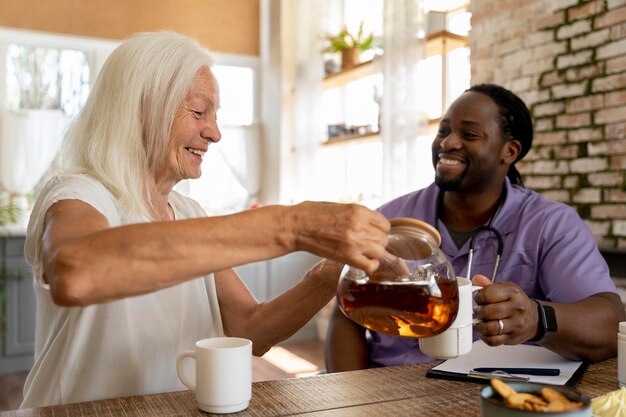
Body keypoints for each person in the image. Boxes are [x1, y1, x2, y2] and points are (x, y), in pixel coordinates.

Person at [20, 31, 391, 408]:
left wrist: (325, 278)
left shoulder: (188, 212)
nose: (213, 133)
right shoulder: (78, 192)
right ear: (141, 107)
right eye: (199, 112)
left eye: (214, 117)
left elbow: (250, 327)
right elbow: (78, 271)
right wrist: (290, 225)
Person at [325, 83, 625, 372]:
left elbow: (610, 325)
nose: (448, 142)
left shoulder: (549, 224)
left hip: (491, 394)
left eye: (468, 134)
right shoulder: (390, 219)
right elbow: (345, 316)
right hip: (386, 390)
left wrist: (536, 318)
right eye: (443, 131)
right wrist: (355, 396)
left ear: (510, 151)